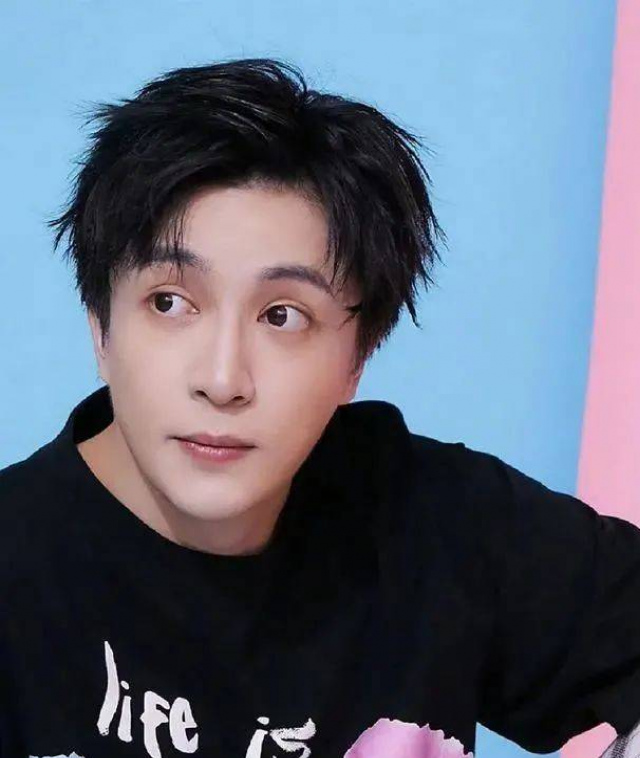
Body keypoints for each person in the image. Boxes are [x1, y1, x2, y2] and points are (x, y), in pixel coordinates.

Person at [1, 57, 639, 758]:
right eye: (170, 303)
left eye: (282, 316)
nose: (223, 379)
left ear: (357, 358)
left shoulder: (435, 521)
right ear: (100, 327)